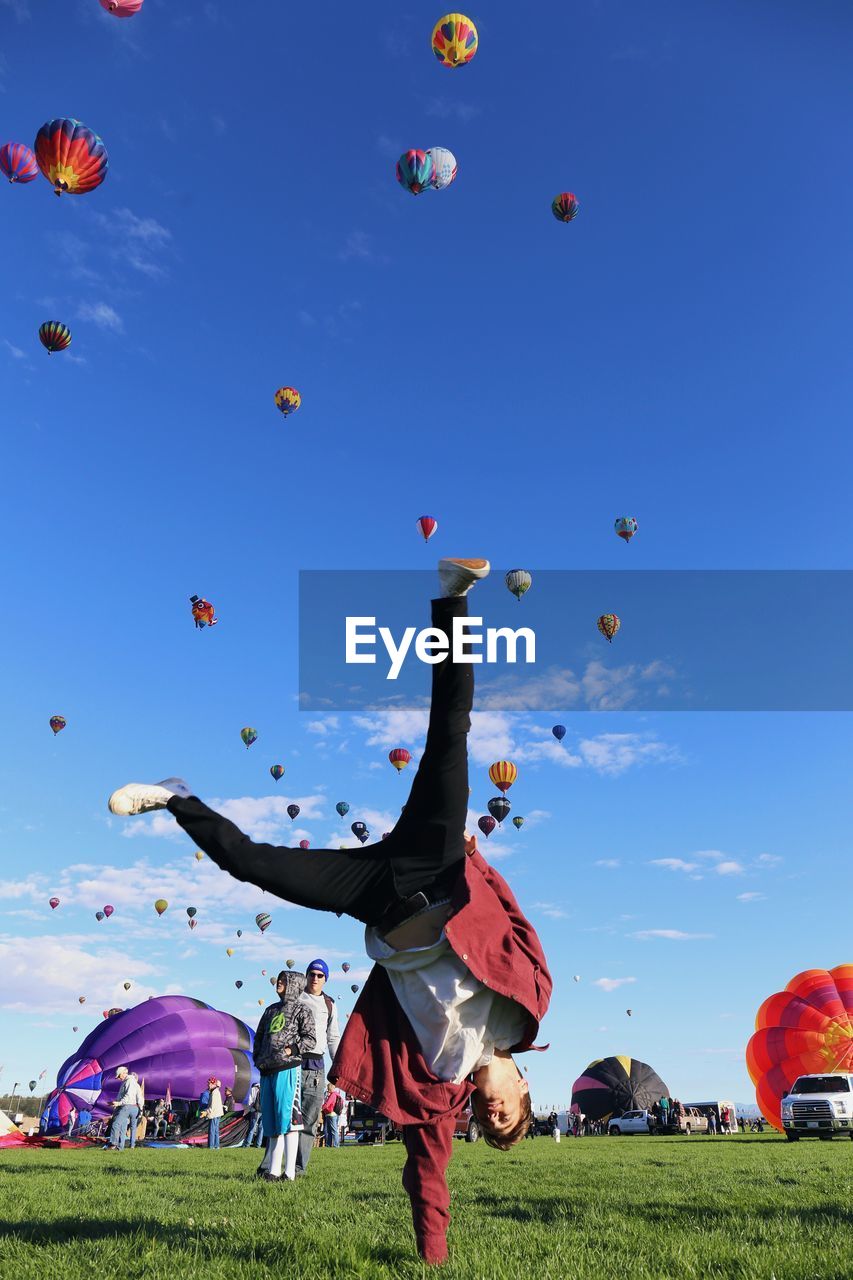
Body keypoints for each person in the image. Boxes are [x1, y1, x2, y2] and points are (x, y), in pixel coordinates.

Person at [107, 558, 552, 1266]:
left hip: (376, 897)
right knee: (450, 734)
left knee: (253, 864)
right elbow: (510, 916)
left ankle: (177, 798)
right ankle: (452, 601)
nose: (491, 1112)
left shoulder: (436, 1091)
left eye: (489, 1122)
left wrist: (432, 1258)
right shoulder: (528, 1002)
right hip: (436, 869)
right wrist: (476, 859)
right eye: (506, 1113)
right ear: (524, 1087)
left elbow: (428, 1178)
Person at [253, 970, 316, 1181]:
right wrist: (257, 1058)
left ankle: (289, 1172)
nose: (278, 983)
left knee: (288, 1119)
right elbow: (260, 1035)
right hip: (267, 1070)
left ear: (294, 984)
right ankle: (273, 1170)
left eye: (284, 980)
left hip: (287, 1069)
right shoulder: (271, 1010)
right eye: (278, 979)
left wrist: (291, 1050)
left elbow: (310, 1039)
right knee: (271, 1122)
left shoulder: (302, 1010)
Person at [295, 957, 340, 1177]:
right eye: (311, 974)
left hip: (316, 1065)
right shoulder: (295, 998)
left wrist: (338, 1067)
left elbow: (333, 1037)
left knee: (310, 1119)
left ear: (326, 979)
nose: (315, 978)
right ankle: (272, 1165)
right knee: (285, 1116)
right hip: (293, 1061)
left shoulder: (330, 1005)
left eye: (320, 975)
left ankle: (299, 1167)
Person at [103, 1066, 143, 1151]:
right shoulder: (136, 1084)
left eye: (118, 1076)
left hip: (127, 1106)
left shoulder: (129, 1082)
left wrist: (118, 1103)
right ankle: (124, 1147)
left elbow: (128, 1096)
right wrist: (141, 1109)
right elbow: (140, 1098)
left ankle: (113, 1144)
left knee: (116, 1124)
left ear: (123, 1073)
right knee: (129, 1127)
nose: (118, 1078)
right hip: (135, 1108)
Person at [321, 1082, 345, 1148]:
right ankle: (328, 1145)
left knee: (333, 1131)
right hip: (333, 1114)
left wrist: (321, 1108)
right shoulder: (337, 1095)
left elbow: (327, 1104)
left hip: (331, 1114)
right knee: (330, 1131)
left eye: (328, 1088)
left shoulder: (333, 1095)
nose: (327, 1089)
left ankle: (336, 1145)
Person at [242, 1080, 264, 1148]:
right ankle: (258, 1144)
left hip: (255, 1111)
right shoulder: (264, 1087)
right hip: (264, 1111)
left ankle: (247, 1143)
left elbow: (250, 1100)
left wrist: (249, 1109)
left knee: (252, 1128)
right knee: (261, 1128)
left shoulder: (254, 1088)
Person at [204, 1077, 224, 1148]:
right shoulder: (215, 1091)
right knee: (215, 1131)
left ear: (213, 1084)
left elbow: (212, 1106)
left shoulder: (214, 1093)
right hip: (217, 1113)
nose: (208, 1085)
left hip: (214, 1114)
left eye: (209, 1084)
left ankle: (211, 1146)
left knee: (212, 1131)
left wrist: (206, 1112)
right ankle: (216, 1146)